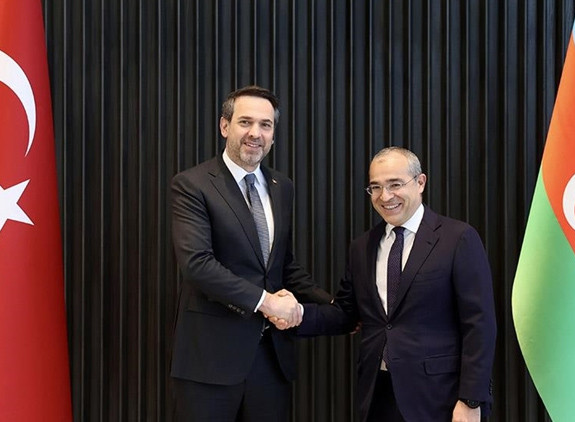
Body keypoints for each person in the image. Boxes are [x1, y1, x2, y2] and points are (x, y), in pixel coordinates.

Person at [274, 147, 496, 421]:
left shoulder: (458, 238)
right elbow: (346, 314)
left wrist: (471, 399)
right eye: (376, 187)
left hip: (441, 398)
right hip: (377, 395)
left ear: (420, 182)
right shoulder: (362, 247)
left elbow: (479, 324)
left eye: (395, 184)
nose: (385, 196)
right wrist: (296, 314)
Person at [169, 85, 332, 421]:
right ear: (224, 126)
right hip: (210, 360)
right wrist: (268, 302)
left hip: (271, 360)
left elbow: (282, 265)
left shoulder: (282, 187)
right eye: (245, 122)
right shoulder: (192, 184)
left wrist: (333, 305)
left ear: (273, 134)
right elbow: (197, 264)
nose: (255, 133)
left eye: (265, 125)